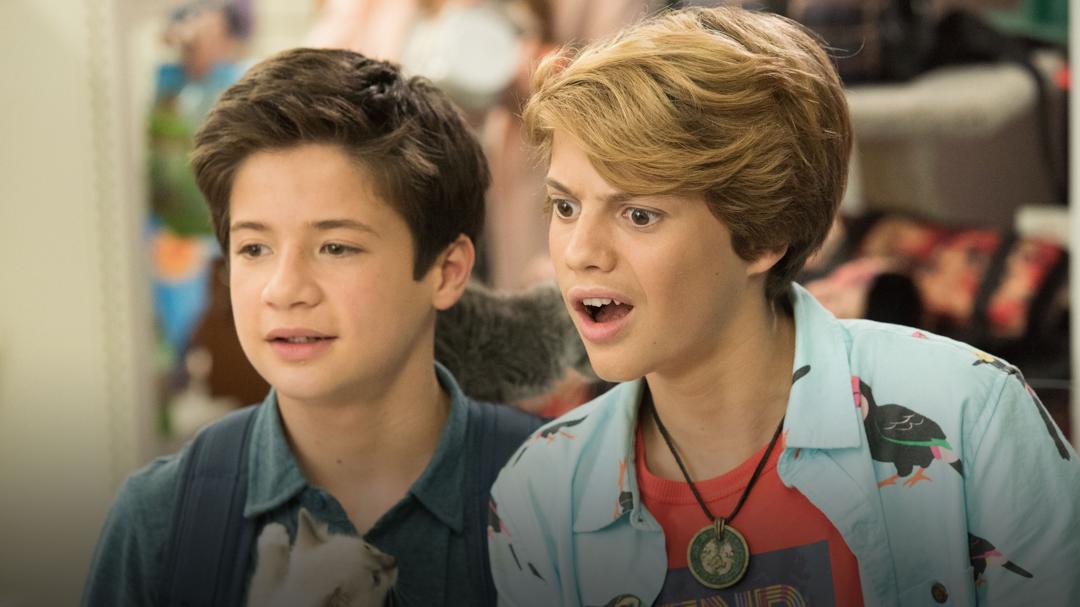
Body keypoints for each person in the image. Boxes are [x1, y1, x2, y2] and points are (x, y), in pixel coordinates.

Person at [487, 6, 1080, 606]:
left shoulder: (972, 417)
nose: (579, 252)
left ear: (764, 235)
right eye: (565, 207)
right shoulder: (538, 495)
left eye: (639, 214)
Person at [82, 47, 540, 606]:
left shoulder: (563, 495)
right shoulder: (160, 522)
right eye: (255, 248)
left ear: (447, 272)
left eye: (336, 247)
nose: (284, 289)